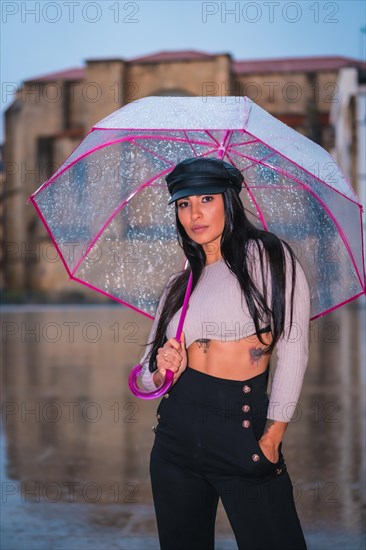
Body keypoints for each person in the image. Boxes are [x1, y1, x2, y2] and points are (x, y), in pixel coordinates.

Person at [138, 157, 311, 550]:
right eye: (183, 204)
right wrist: (162, 370)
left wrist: (273, 435)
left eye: (206, 199)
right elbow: (144, 376)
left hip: (243, 437)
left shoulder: (270, 257)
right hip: (175, 441)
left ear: (230, 200)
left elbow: (294, 348)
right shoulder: (179, 284)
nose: (194, 214)